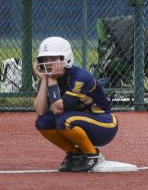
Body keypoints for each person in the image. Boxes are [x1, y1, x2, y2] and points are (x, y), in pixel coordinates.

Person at [32, 36, 118, 172]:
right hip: (78, 120)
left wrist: (52, 79)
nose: (48, 63)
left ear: (65, 58)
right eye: (44, 59)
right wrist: (44, 79)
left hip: (104, 123)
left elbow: (58, 108)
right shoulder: (50, 77)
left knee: (63, 120)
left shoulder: (80, 76)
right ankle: (74, 154)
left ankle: (92, 155)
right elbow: (40, 111)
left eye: (53, 59)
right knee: (43, 122)